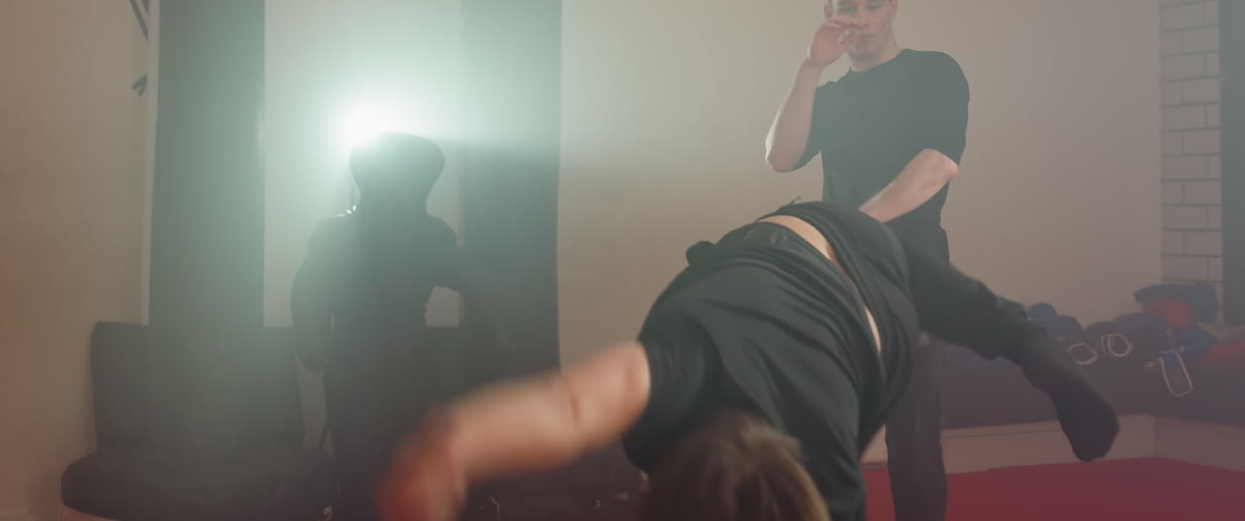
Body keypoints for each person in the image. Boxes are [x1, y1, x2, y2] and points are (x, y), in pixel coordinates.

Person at [378, 201, 1119, 521]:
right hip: (804, 251)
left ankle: (1032, 346)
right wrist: (443, 459)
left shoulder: (821, 466)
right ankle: (1032, 347)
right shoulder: (672, 373)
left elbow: (470, 438)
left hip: (857, 293)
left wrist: (444, 457)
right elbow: (521, 422)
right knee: (967, 307)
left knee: (961, 306)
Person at [765, 0, 967, 521]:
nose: (861, 18)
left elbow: (937, 164)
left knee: (914, 443)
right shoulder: (830, 95)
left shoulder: (935, 71)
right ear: (829, 9)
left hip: (915, 277)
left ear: (893, 6)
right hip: (839, 278)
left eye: (873, 5)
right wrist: (811, 67)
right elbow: (780, 157)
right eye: (847, 6)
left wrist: (851, 225)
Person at [291, 132, 510, 521]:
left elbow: (308, 291)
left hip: (357, 363)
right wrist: (497, 346)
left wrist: (314, 344)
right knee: (390, 460)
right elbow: (484, 284)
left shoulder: (337, 233)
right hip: (404, 362)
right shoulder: (425, 235)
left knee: (363, 459)